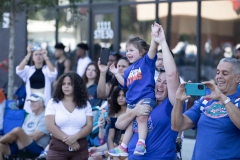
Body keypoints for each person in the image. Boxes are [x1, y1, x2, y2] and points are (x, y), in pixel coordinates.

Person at [112, 26, 182, 159]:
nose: (160, 84)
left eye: (165, 83)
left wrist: (159, 40)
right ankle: (123, 147)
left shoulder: (172, 104)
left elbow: (171, 74)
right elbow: (118, 124)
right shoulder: (132, 74)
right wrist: (135, 111)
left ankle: (141, 142)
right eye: (159, 81)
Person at [171, 58, 240, 159]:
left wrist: (222, 97)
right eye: (217, 72)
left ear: (238, 78)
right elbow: (177, 126)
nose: (219, 77)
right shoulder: (206, 99)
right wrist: (178, 101)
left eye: (225, 73)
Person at [108, 22, 160, 156]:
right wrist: (115, 73)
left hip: (145, 98)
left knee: (141, 119)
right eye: (127, 50)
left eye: (131, 50)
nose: (128, 53)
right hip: (131, 101)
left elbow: (153, 49)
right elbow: (124, 84)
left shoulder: (147, 61)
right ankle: (123, 146)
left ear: (142, 52)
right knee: (129, 122)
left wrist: (154, 36)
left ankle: (141, 143)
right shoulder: (128, 70)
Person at [45, 72, 93, 160]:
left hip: (80, 148)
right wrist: (70, 141)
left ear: (77, 86)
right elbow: (50, 126)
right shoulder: (53, 102)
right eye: (63, 84)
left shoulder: (86, 104)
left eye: (70, 84)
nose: (66, 86)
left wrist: (75, 137)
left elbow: (89, 126)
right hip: (57, 148)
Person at [0, 93, 50, 160]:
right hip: (21, 144)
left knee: (18, 130)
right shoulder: (29, 116)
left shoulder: (46, 117)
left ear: (42, 103)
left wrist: (18, 136)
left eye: (34, 101)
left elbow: (35, 137)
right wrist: (15, 137)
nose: (31, 103)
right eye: (30, 101)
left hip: (36, 148)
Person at [16, 45, 57, 113]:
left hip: (44, 100)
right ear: (32, 58)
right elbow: (19, 70)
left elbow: (53, 73)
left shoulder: (47, 69)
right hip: (31, 100)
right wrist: (28, 54)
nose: (38, 56)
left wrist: (46, 57)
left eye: (40, 54)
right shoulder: (29, 69)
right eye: (36, 54)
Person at [108, 87, 127, 160]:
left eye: (123, 95)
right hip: (115, 149)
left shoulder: (131, 112)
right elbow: (110, 137)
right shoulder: (114, 114)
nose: (121, 98)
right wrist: (114, 155)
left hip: (128, 149)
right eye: (118, 95)